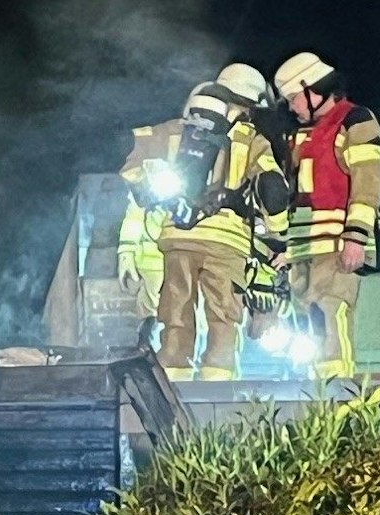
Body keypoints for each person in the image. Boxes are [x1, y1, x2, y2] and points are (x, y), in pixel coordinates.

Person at [119, 64, 290, 380]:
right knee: (223, 318)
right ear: (247, 105)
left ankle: (173, 378)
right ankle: (217, 383)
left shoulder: (173, 130)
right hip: (228, 241)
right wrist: (278, 235)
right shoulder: (251, 140)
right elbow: (274, 188)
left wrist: (153, 195)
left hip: (176, 237)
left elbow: (128, 162)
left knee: (175, 314)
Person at [272, 51, 380, 379]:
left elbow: (369, 179)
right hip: (304, 246)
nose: (292, 107)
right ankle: (318, 394)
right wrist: (285, 246)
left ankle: (339, 395)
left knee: (329, 314)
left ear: (314, 89)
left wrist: (356, 237)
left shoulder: (355, 120)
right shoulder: (299, 135)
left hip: (337, 243)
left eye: (295, 98)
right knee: (307, 323)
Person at [115, 195, 165, 348]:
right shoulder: (148, 175)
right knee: (149, 318)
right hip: (150, 262)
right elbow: (135, 210)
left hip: (186, 254)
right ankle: (148, 360)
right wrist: (126, 250)